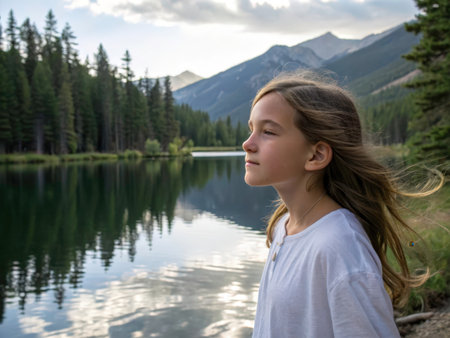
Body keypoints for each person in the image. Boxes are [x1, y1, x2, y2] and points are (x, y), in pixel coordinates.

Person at [242, 73, 442, 337]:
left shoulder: (340, 247)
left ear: (316, 155)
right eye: (251, 129)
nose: (248, 144)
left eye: (268, 132)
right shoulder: (284, 227)